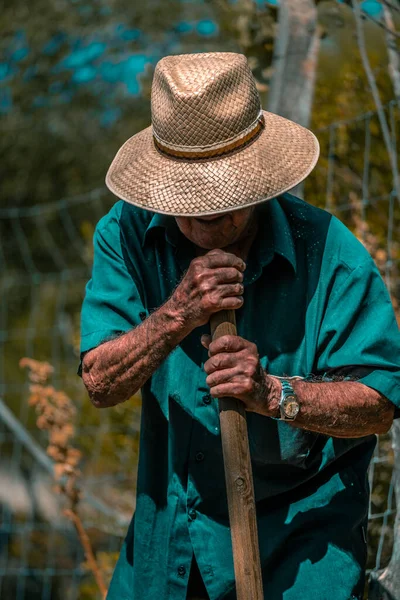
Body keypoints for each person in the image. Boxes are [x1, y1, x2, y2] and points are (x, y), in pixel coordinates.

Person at [77, 52, 400, 600]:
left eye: (224, 201)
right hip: (167, 552)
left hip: (300, 555)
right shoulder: (128, 236)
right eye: (189, 199)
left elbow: (379, 401)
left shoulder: (328, 251)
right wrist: (178, 312)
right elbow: (100, 382)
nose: (208, 215)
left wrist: (273, 393)